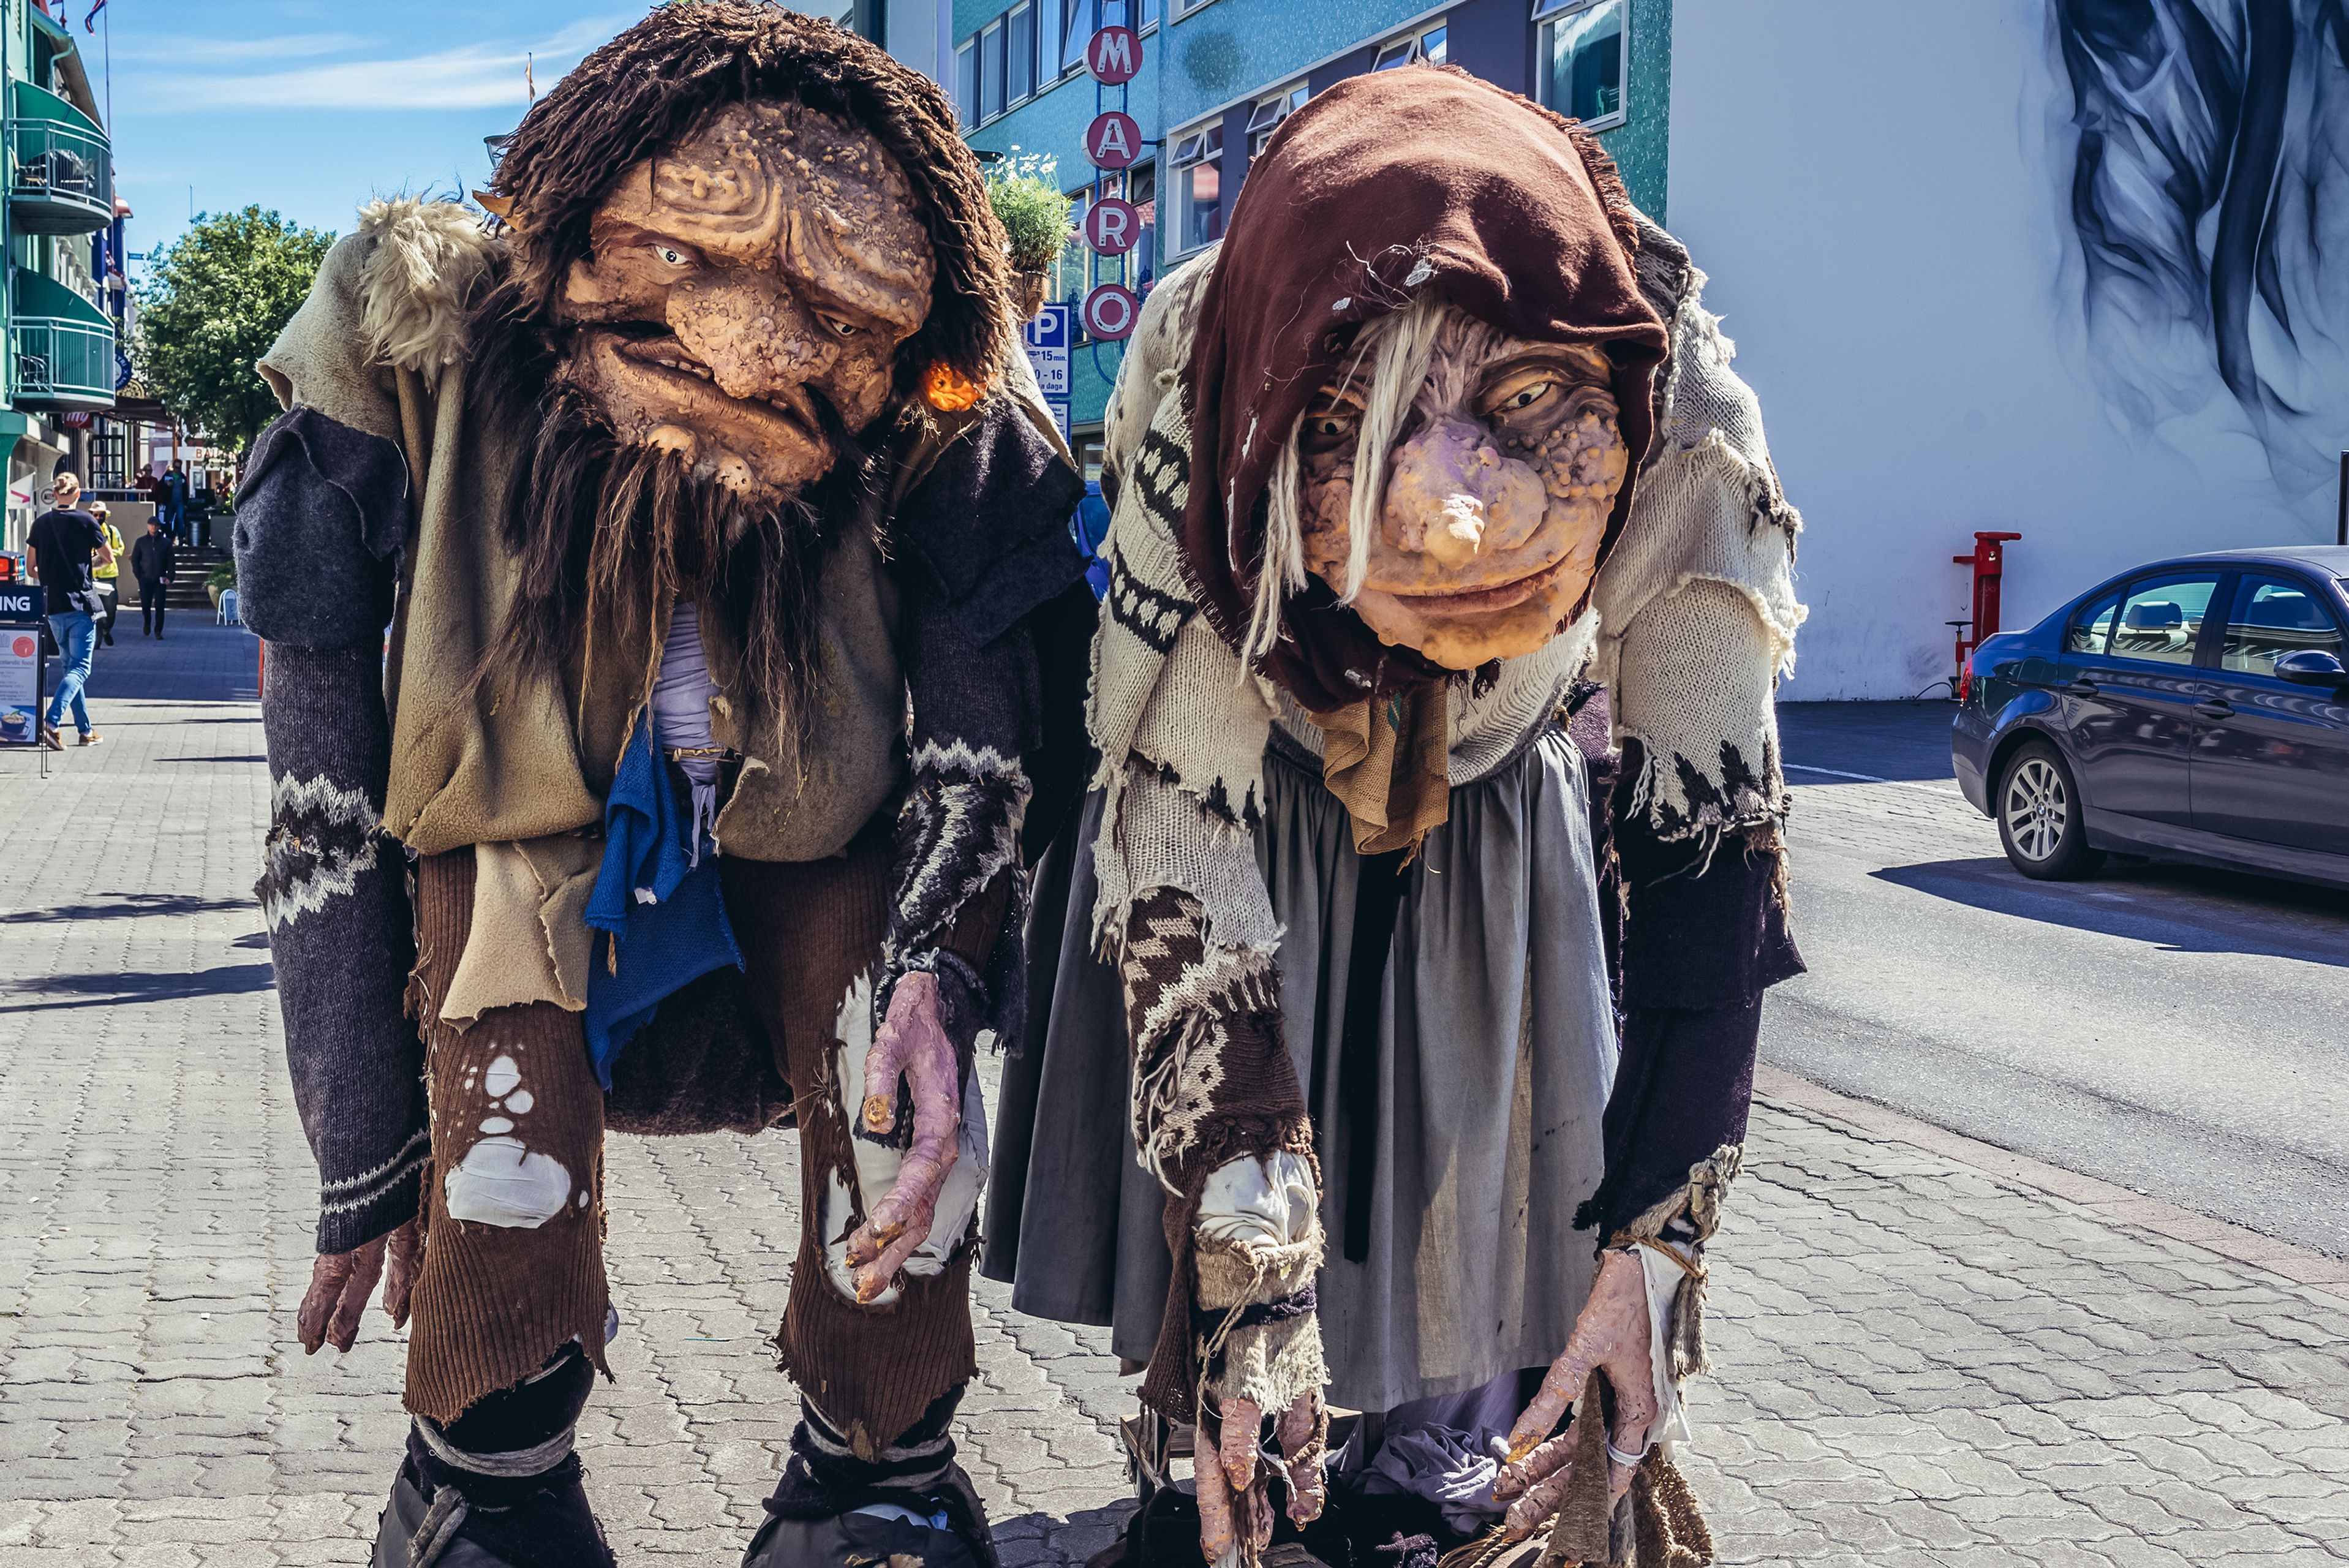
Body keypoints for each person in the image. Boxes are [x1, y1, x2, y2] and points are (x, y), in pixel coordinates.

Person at [233, 8, 1092, 1565]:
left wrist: (943, 969)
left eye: (831, 308)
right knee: (504, 1152)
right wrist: (364, 1144)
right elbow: (318, 782)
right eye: (694, 264)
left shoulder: (922, 408)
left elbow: (985, 712)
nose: (760, 352)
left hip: (808, 847)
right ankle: (485, 1476)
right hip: (510, 852)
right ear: (578, 235)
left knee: (902, 1128)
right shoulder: (420, 330)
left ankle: (875, 1463)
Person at [987, 67, 1804, 1568]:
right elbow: (1178, 834)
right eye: (1370, 461)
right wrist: (1245, 1285)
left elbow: (1711, 882)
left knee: (1474, 1184)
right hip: (1254, 775)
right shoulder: (1199, 346)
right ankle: (1225, 1455)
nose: (1456, 525)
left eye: (1519, 434)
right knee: (1235, 1225)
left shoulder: (1677, 403)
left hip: (1491, 798)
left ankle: (1421, 1458)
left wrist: (1648, 1264)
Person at [26, 471, 111, 749]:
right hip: (80, 605)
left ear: (55, 493)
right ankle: (51, 722)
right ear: (77, 494)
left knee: (69, 668)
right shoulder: (87, 521)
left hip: (53, 607)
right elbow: (108, 557)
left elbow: (31, 568)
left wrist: (51, 575)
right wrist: (89, 567)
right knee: (81, 669)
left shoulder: (41, 524)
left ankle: (85, 731)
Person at [130, 516, 174, 638]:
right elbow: (135, 559)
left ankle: (158, 630)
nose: (154, 527)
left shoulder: (166, 543)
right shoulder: (141, 541)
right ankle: (147, 621)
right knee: (146, 604)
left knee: (160, 605)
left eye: (156, 525)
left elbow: (171, 561)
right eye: (151, 525)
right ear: (148, 526)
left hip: (160, 578)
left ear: (159, 527)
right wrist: (138, 574)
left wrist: (170, 576)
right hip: (145, 578)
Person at [89, 500, 124, 646]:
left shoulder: (112, 531)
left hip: (109, 577)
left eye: (101, 515)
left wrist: (105, 554)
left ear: (105, 515)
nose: (98, 517)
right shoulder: (86, 529)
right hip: (91, 576)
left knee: (110, 610)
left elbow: (120, 549)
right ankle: (96, 642)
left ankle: (106, 630)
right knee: (94, 612)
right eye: (95, 515)